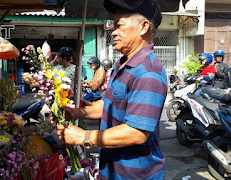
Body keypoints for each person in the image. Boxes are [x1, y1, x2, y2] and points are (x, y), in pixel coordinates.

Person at [54, 0, 167, 179]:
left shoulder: (147, 72)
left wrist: (85, 137)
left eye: (119, 26)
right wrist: (76, 113)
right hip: (112, 169)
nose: (113, 32)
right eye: (113, 26)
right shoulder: (123, 64)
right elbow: (108, 103)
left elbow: (137, 133)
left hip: (134, 175)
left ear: (143, 27)